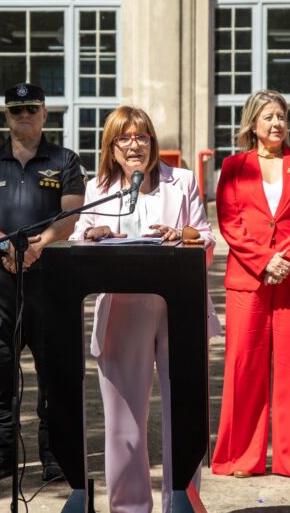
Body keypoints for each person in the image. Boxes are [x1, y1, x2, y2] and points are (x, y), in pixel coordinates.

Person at [70, 106, 220, 513]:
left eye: (142, 137)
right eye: (124, 138)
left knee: (184, 415)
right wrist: (95, 233)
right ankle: (129, 507)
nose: (134, 145)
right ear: (112, 147)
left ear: (152, 143)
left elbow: (206, 240)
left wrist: (182, 235)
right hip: (122, 309)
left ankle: (182, 502)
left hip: (179, 309)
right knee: (124, 423)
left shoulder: (183, 181)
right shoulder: (99, 187)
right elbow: (78, 236)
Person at [0, 83, 85, 482]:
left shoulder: (65, 160)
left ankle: (53, 453)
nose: (24, 115)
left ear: (45, 113)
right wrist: (7, 248)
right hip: (0, 279)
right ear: (6, 116)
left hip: (50, 280)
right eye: (16, 110)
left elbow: (71, 215)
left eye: (32, 108)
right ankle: (0, 453)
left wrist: (40, 245)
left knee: (53, 369)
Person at [211, 90, 290, 481]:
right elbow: (229, 222)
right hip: (249, 278)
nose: (276, 123)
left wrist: (286, 259)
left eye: (281, 116)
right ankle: (241, 456)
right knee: (244, 366)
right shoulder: (233, 166)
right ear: (253, 124)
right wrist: (264, 262)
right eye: (268, 117)